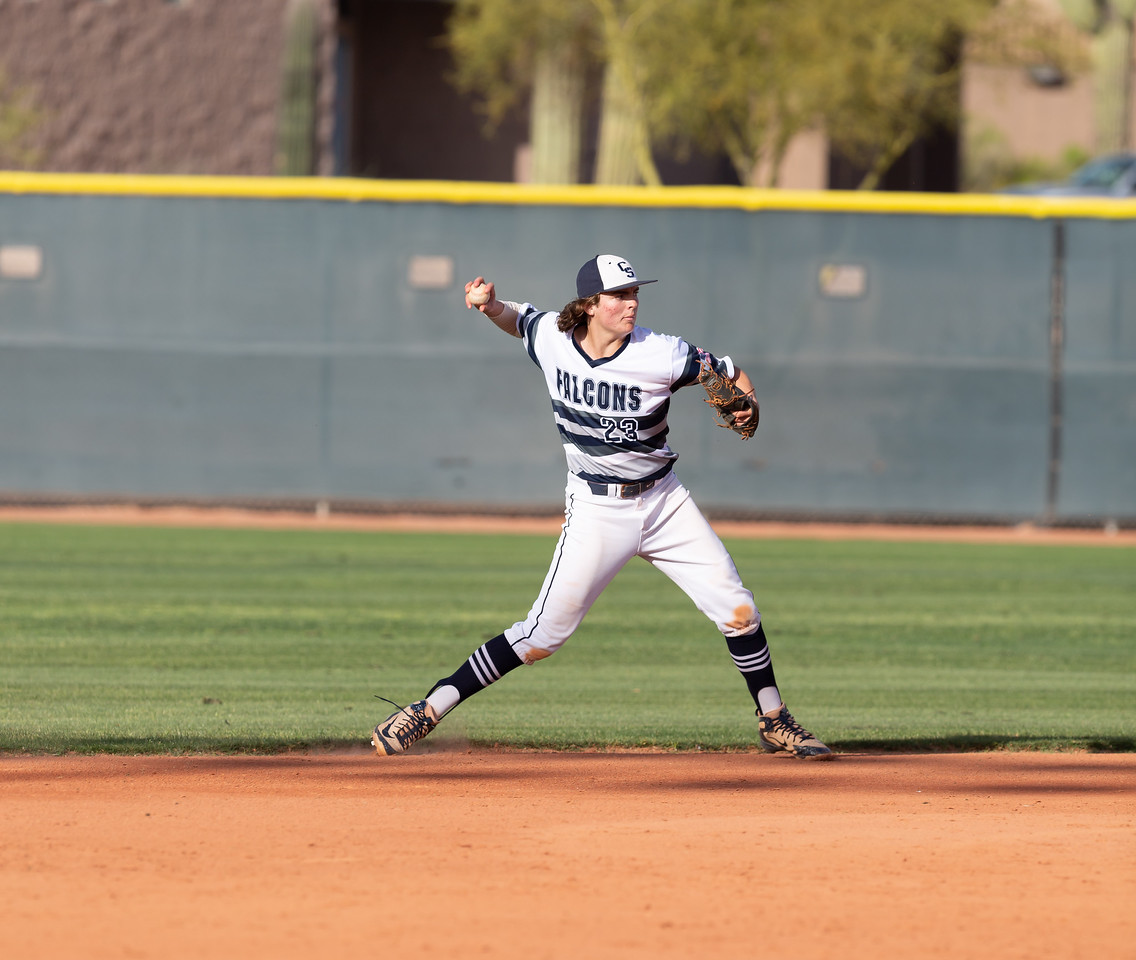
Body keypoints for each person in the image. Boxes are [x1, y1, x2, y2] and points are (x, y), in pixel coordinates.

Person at [372, 254, 832, 760]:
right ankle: (428, 709)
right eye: (620, 295)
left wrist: (747, 401)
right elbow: (516, 319)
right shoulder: (551, 336)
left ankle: (774, 720)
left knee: (738, 609)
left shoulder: (662, 353)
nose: (631, 303)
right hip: (596, 509)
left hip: (664, 503)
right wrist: (488, 306)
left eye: (635, 293)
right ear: (591, 305)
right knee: (541, 635)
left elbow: (727, 372)